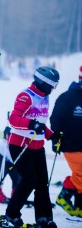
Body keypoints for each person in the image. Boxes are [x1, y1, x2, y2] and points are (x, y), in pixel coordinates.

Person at [4, 66, 60, 228]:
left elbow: (40, 122)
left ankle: (44, 218)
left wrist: (51, 135)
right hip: (20, 144)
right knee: (30, 180)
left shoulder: (44, 96)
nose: (52, 89)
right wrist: (30, 124)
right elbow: (14, 119)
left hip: (37, 145)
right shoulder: (26, 96)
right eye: (51, 85)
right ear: (42, 82)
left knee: (42, 182)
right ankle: (12, 214)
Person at [50, 66, 82, 217]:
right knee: (80, 174)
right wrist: (55, 139)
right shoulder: (68, 97)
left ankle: (79, 207)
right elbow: (55, 119)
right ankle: (63, 197)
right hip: (71, 144)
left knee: (80, 175)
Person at [0, 126, 21, 203]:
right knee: (2, 170)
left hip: (8, 156)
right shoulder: (3, 143)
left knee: (17, 175)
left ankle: (15, 196)